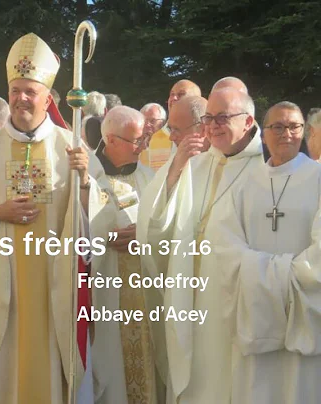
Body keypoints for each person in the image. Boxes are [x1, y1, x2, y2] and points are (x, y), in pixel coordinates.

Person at [0, 32, 113, 404]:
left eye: (30, 91)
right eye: (15, 90)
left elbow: (102, 215)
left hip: (57, 288)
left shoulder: (71, 148)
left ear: (48, 97)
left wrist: (85, 181)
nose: (21, 98)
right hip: (2, 289)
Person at [136, 88, 264, 404]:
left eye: (223, 118)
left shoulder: (266, 167)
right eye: (209, 119)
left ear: (247, 121)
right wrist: (177, 167)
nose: (213, 126)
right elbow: (152, 225)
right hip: (189, 295)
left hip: (233, 301)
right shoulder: (194, 162)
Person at [209, 101, 321, 403]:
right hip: (254, 312)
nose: (286, 133)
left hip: (304, 309)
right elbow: (223, 238)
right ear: (264, 132)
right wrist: (266, 277)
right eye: (278, 127)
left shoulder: (319, 178)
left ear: (304, 132)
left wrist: (286, 277)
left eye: (294, 126)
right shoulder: (245, 182)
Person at [90, 106, 158, 404]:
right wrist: (105, 233)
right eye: (136, 141)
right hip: (103, 293)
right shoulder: (86, 174)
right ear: (111, 139)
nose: (143, 147)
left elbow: (168, 227)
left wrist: (145, 235)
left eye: (145, 139)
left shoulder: (150, 177)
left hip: (143, 298)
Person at [139, 79, 202, 171]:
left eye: (181, 94)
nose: (174, 98)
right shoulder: (155, 139)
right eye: (172, 94)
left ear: (196, 100)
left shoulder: (209, 135)